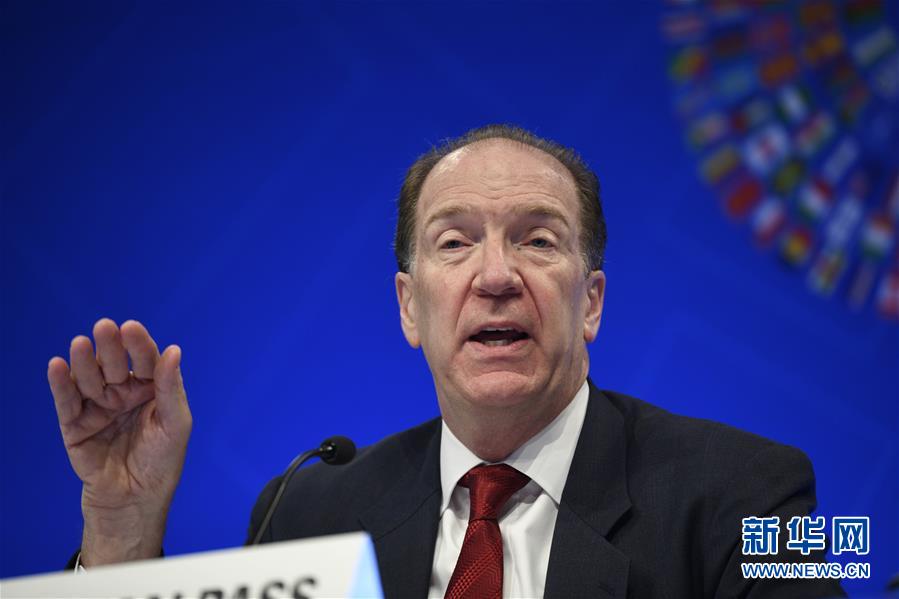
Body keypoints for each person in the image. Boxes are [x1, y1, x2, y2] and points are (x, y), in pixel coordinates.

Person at [49, 125, 845, 598]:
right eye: (455, 242)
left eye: (538, 239)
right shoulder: (307, 511)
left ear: (591, 301)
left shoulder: (755, 491)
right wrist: (120, 525)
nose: (495, 275)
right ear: (409, 306)